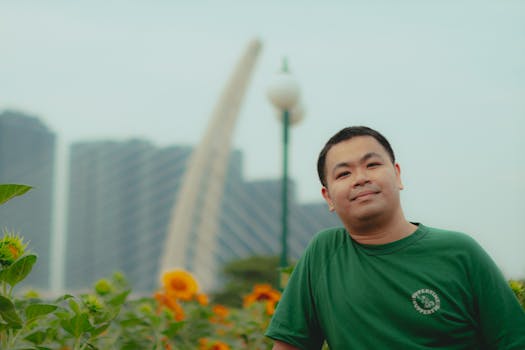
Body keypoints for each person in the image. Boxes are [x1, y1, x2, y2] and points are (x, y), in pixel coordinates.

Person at [265, 126, 525, 349]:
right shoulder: (324, 253)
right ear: (328, 197)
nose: (361, 178)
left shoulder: (460, 251)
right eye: (344, 174)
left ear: (398, 174)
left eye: (373, 165)